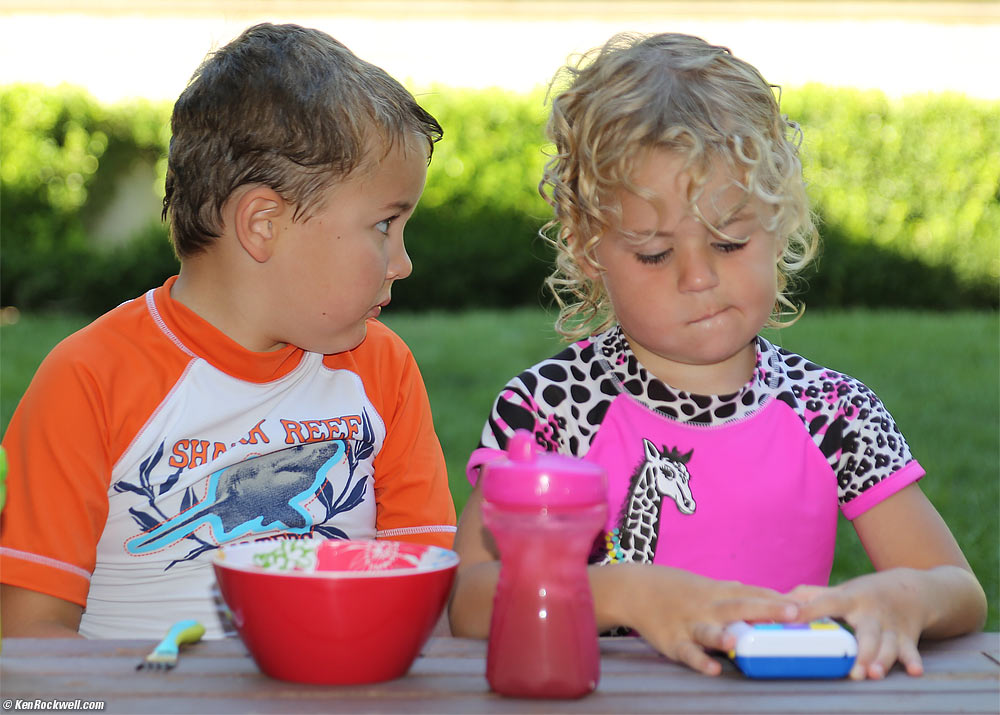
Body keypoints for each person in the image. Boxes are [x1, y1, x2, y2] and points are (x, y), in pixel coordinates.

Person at [449, 32, 986, 680]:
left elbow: (958, 588)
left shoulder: (834, 411)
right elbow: (472, 597)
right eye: (654, 252)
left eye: (729, 242)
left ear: (780, 220)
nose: (697, 277)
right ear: (590, 250)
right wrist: (623, 590)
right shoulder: (551, 409)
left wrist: (899, 598)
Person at [0, 23, 457, 639]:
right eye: (384, 226)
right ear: (262, 223)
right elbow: (29, 639)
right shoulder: (90, 379)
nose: (402, 263)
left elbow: (425, 600)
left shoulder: (382, 371)